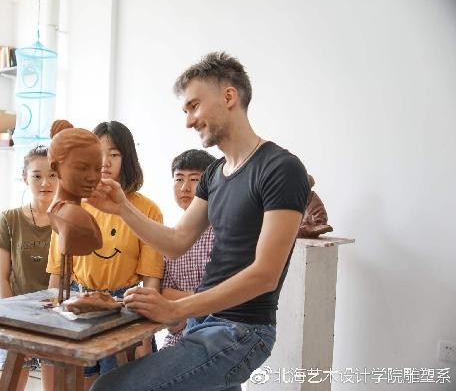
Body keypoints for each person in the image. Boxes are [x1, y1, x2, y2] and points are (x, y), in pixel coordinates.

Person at [88, 52, 310, 391]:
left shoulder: (281, 168)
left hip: (242, 330)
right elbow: (176, 242)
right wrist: (122, 208)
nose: (189, 121)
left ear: (229, 96)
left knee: (108, 388)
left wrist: (175, 308)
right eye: (185, 111)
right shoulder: (214, 174)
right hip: (203, 322)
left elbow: (265, 275)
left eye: (194, 106)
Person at [46, 120, 164, 383]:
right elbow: (58, 271)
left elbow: (151, 279)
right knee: (81, 381)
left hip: (124, 307)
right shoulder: (71, 206)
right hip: (77, 303)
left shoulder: (146, 209)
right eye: (99, 154)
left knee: (119, 383)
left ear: (127, 158)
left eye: (114, 154)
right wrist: (52, 322)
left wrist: (146, 335)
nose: (105, 163)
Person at [0, 145, 57, 390]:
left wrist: (46, 323)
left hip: (55, 319)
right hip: (15, 316)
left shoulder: (67, 220)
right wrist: (16, 324)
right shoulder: (9, 219)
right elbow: (2, 278)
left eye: (52, 175)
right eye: (37, 175)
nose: (45, 182)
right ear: (25, 178)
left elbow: (63, 278)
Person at [160, 149, 216, 349]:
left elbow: (226, 295)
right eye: (179, 179)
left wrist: (183, 302)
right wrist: (201, 299)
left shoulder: (223, 232)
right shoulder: (168, 238)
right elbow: (164, 295)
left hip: (214, 334)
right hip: (177, 338)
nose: (185, 187)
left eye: (194, 180)